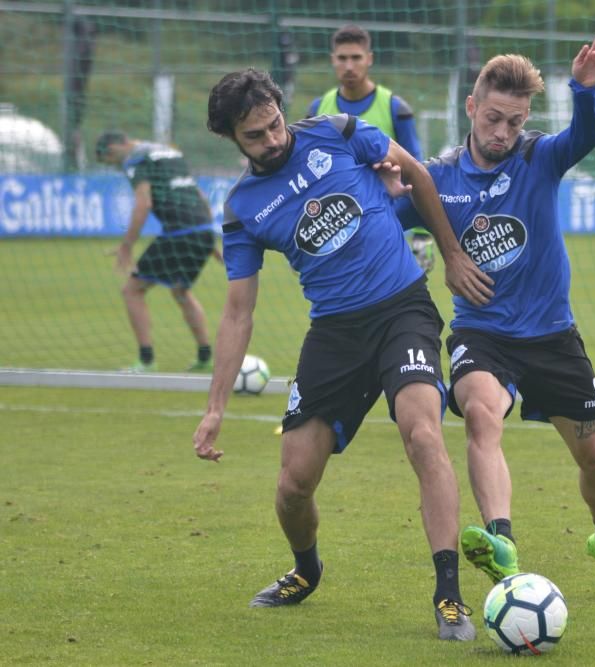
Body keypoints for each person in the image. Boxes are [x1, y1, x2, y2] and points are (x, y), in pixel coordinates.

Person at [193, 67, 494, 640]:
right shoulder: (242, 210)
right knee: (293, 485)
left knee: (423, 434)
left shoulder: (337, 130)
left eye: (275, 124)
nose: (273, 140)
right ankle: (306, 572)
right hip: (334, 333)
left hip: (402, 307)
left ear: (282, 110)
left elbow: (419, 176)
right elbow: (237, 313)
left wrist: (451, 256)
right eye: (255, 136)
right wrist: (215, 408)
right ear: (231, 139)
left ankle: (450, 596)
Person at [392, 37, 595, 597]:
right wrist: (376, 181)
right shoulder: (436, 179)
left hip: (554, 338)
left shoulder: (538, 157)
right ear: (471, 107)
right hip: (482, 334)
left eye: (514, 122)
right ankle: (501, 544)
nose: (502, 133)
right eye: (493, 118)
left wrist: (583, 91)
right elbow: (379, 215)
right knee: (482, 415)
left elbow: (587, 136)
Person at [307, 24, 436, 273]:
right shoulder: (317, 110)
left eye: (356, 58)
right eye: (342, 58)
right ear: (333, 60)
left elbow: (417, 170)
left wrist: (421, 233)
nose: (349, 66)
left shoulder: (395, 108)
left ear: (369, 59)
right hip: (337, 229)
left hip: (388, 225)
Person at [95, 131, 217, 373]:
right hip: (202, 228)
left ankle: (146, 360)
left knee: (132, 290)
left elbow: (144, 203)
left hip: (179, 231)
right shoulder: (169, 151)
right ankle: (205, 356)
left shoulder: (135, 159)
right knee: (180, 290)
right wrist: (211, 240)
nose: (117, 166)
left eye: (112, 161)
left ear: (113, 149)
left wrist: (126, 246)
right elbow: (198, 195)